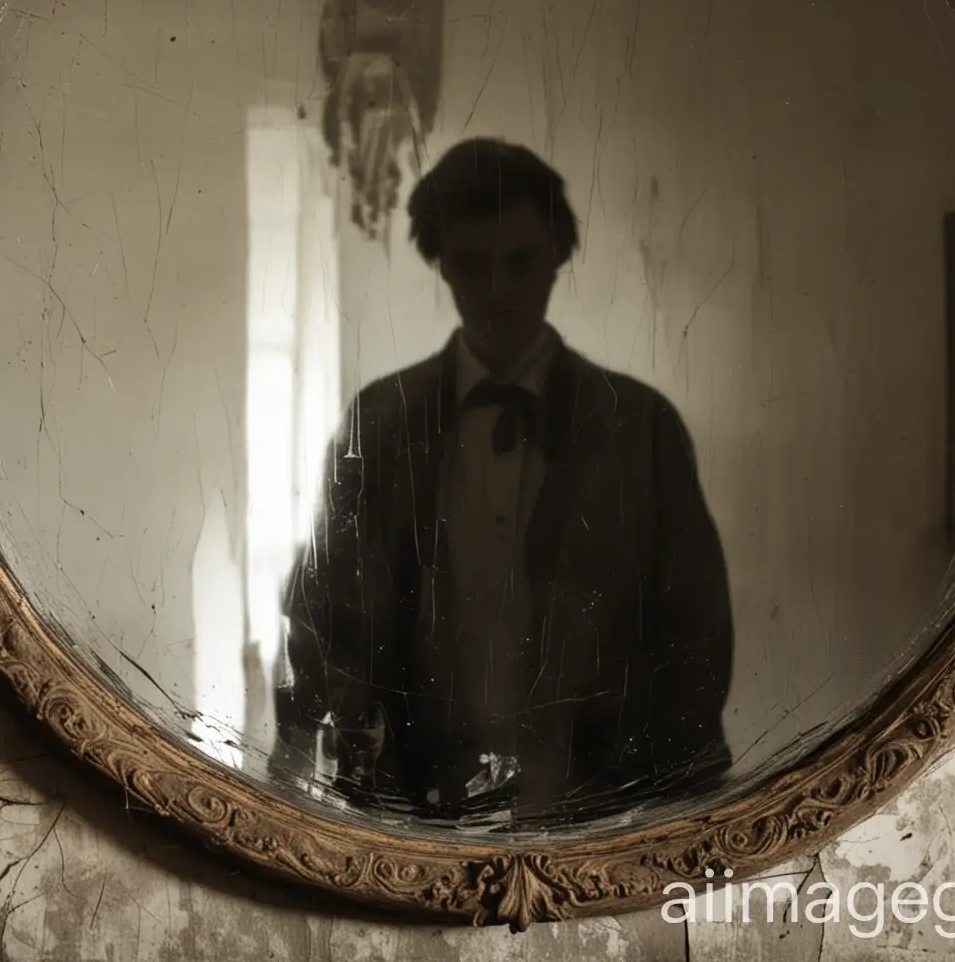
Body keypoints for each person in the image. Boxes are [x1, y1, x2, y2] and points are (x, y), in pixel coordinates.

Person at [273, 138, 733, 823]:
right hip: (412, 812)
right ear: (439, 263)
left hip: (599, 808)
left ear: (558, 258)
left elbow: (694, 636)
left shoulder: (639, 428)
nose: (499, 292)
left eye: (522, 263)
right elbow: (326, 608)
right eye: (472, 265)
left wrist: (662, 813)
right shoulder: (381, 419)